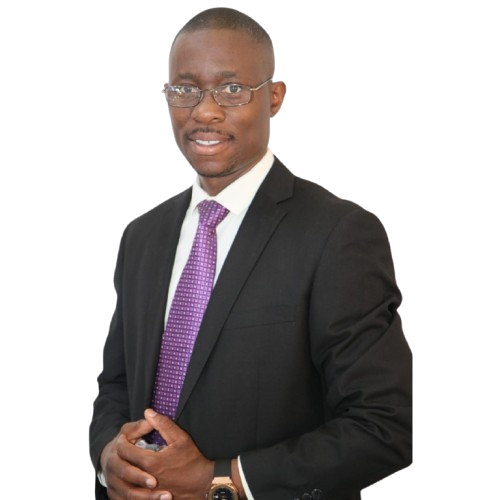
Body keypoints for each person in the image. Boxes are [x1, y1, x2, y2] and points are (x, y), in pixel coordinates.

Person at [88, 7, 413, 500]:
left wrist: (221, 480)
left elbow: (387, 424)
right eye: (185, 89)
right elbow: (116, 385)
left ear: (275, 97)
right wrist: (110, 458)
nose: (205, 111)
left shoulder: (339, 234)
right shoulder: (142, 236)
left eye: (232, 89)